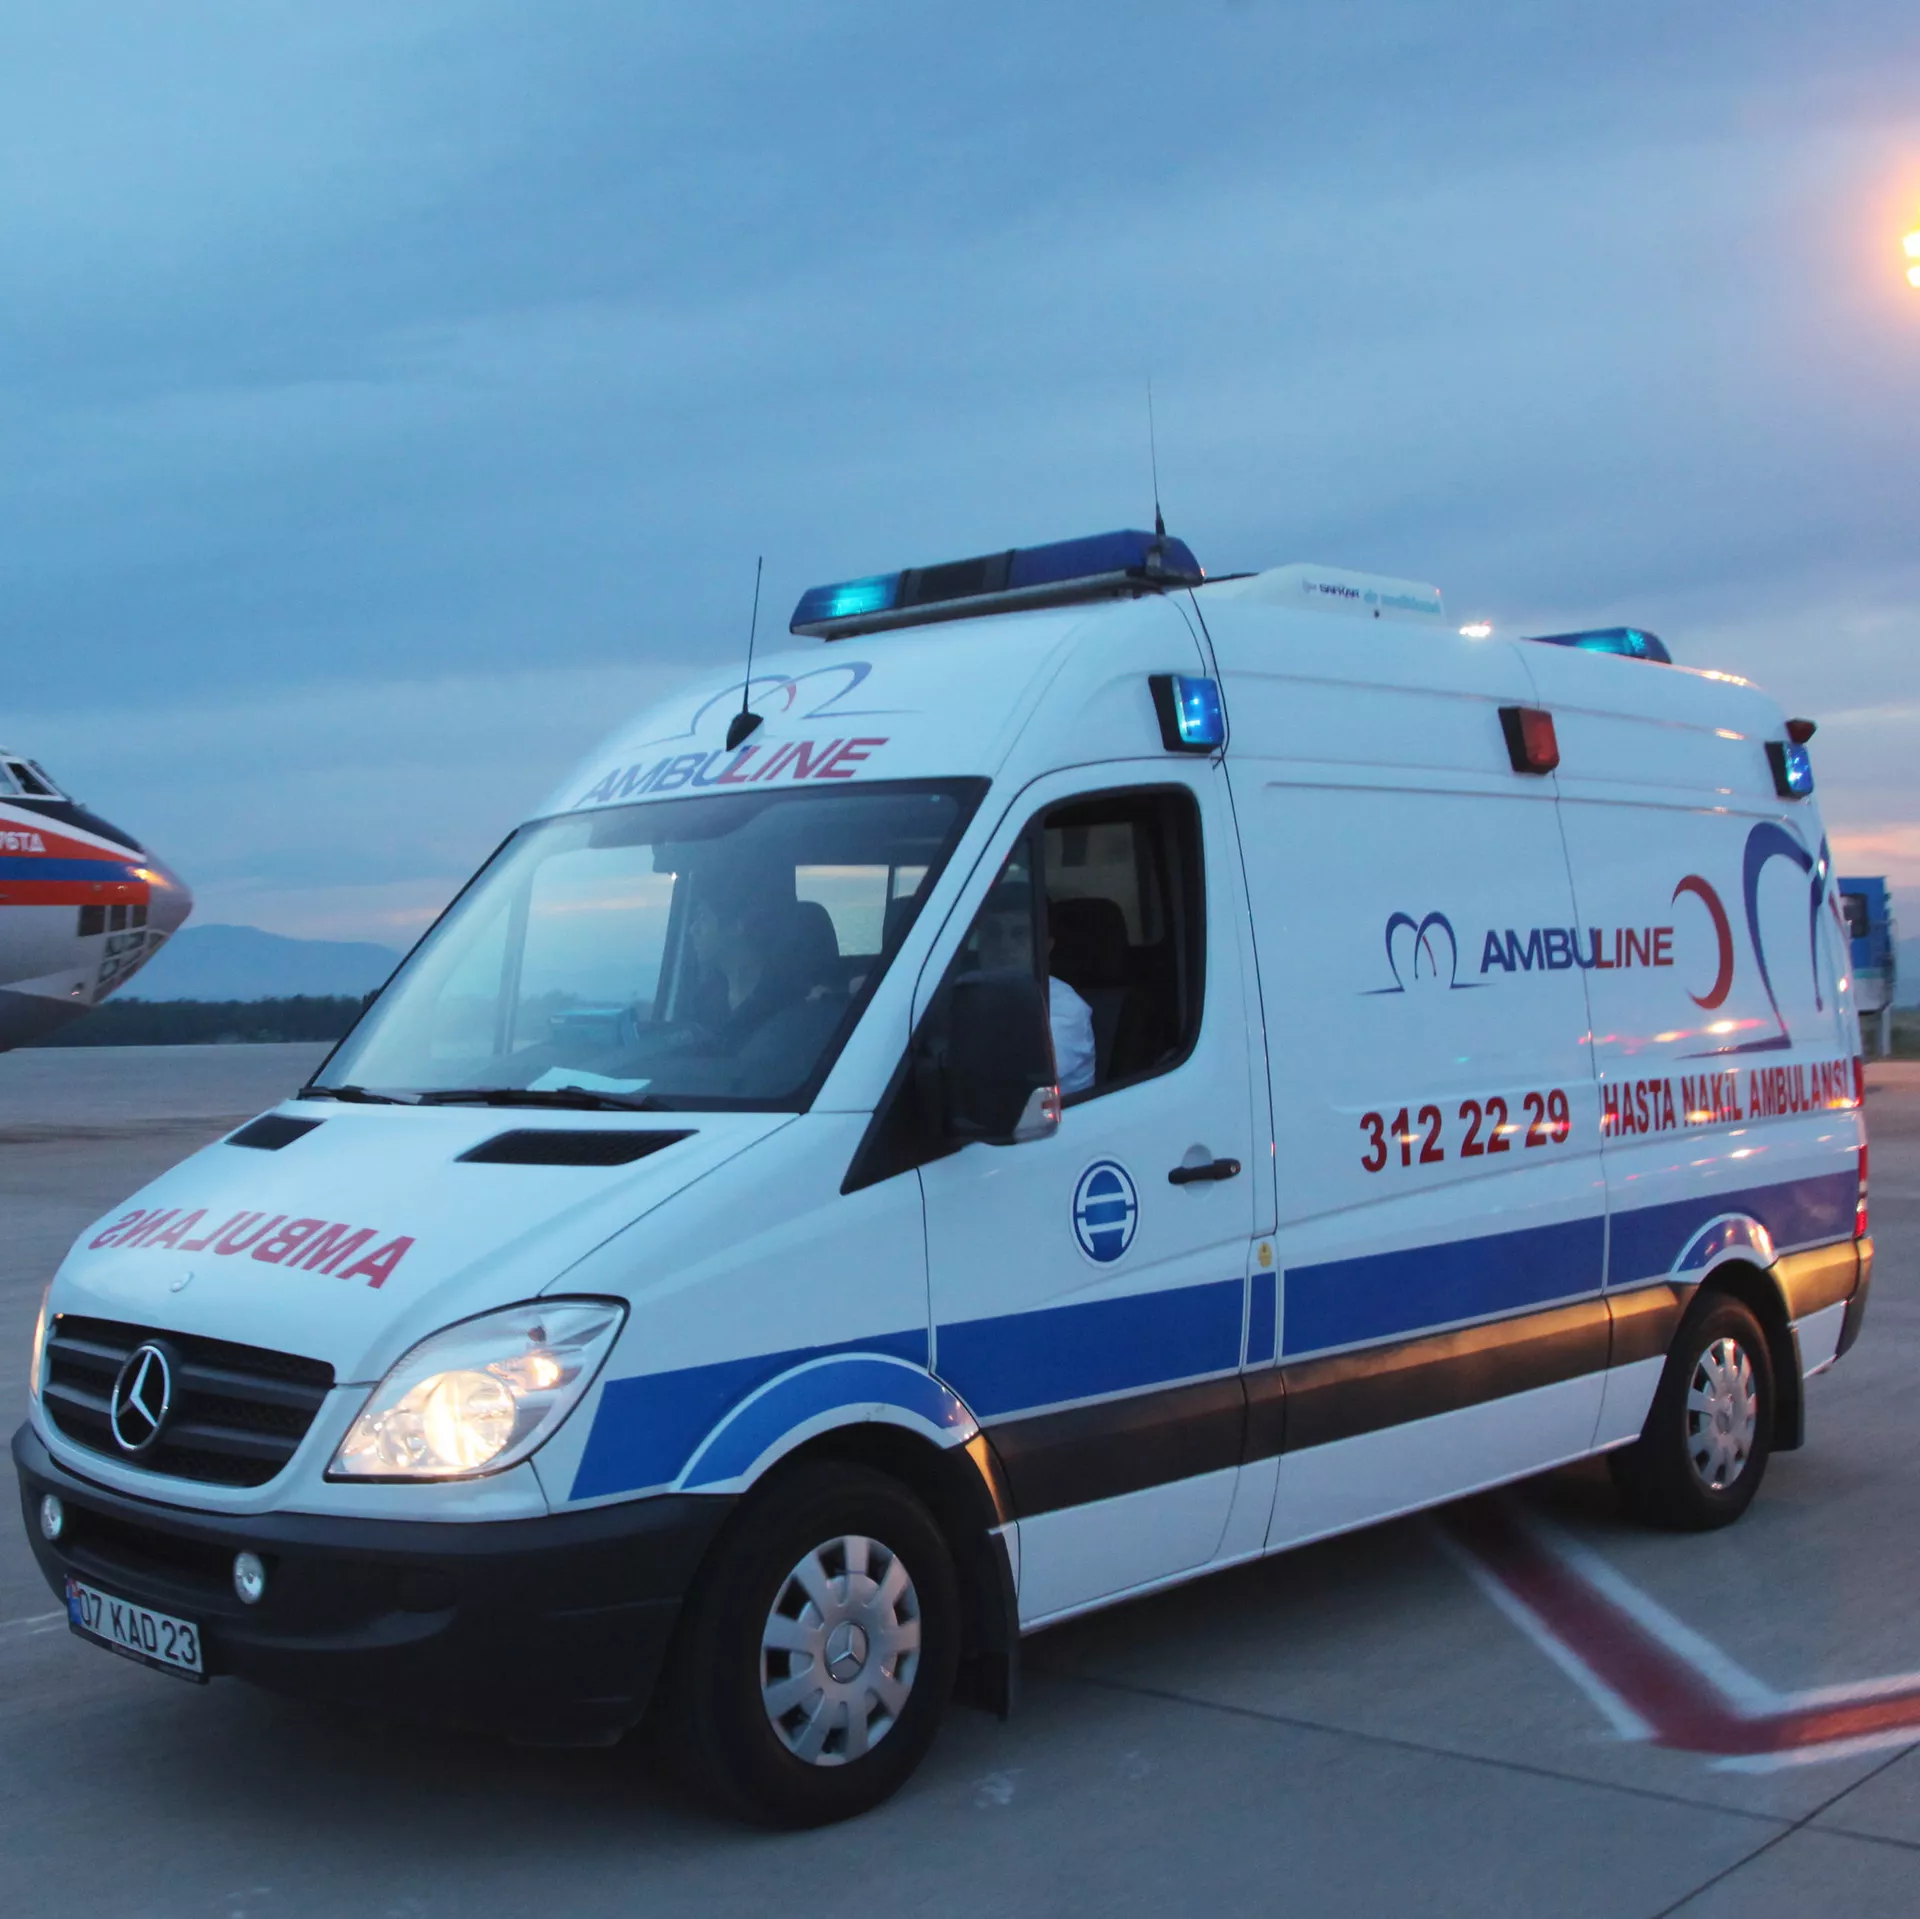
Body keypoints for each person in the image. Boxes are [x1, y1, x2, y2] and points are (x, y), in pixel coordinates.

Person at [973, 882, 1096, 1096]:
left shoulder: (1064, 1007)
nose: (1004, 945)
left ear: (1046, 945)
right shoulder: (964, 991)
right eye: (993, 932)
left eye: (1019, 934)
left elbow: (1007, 1076)